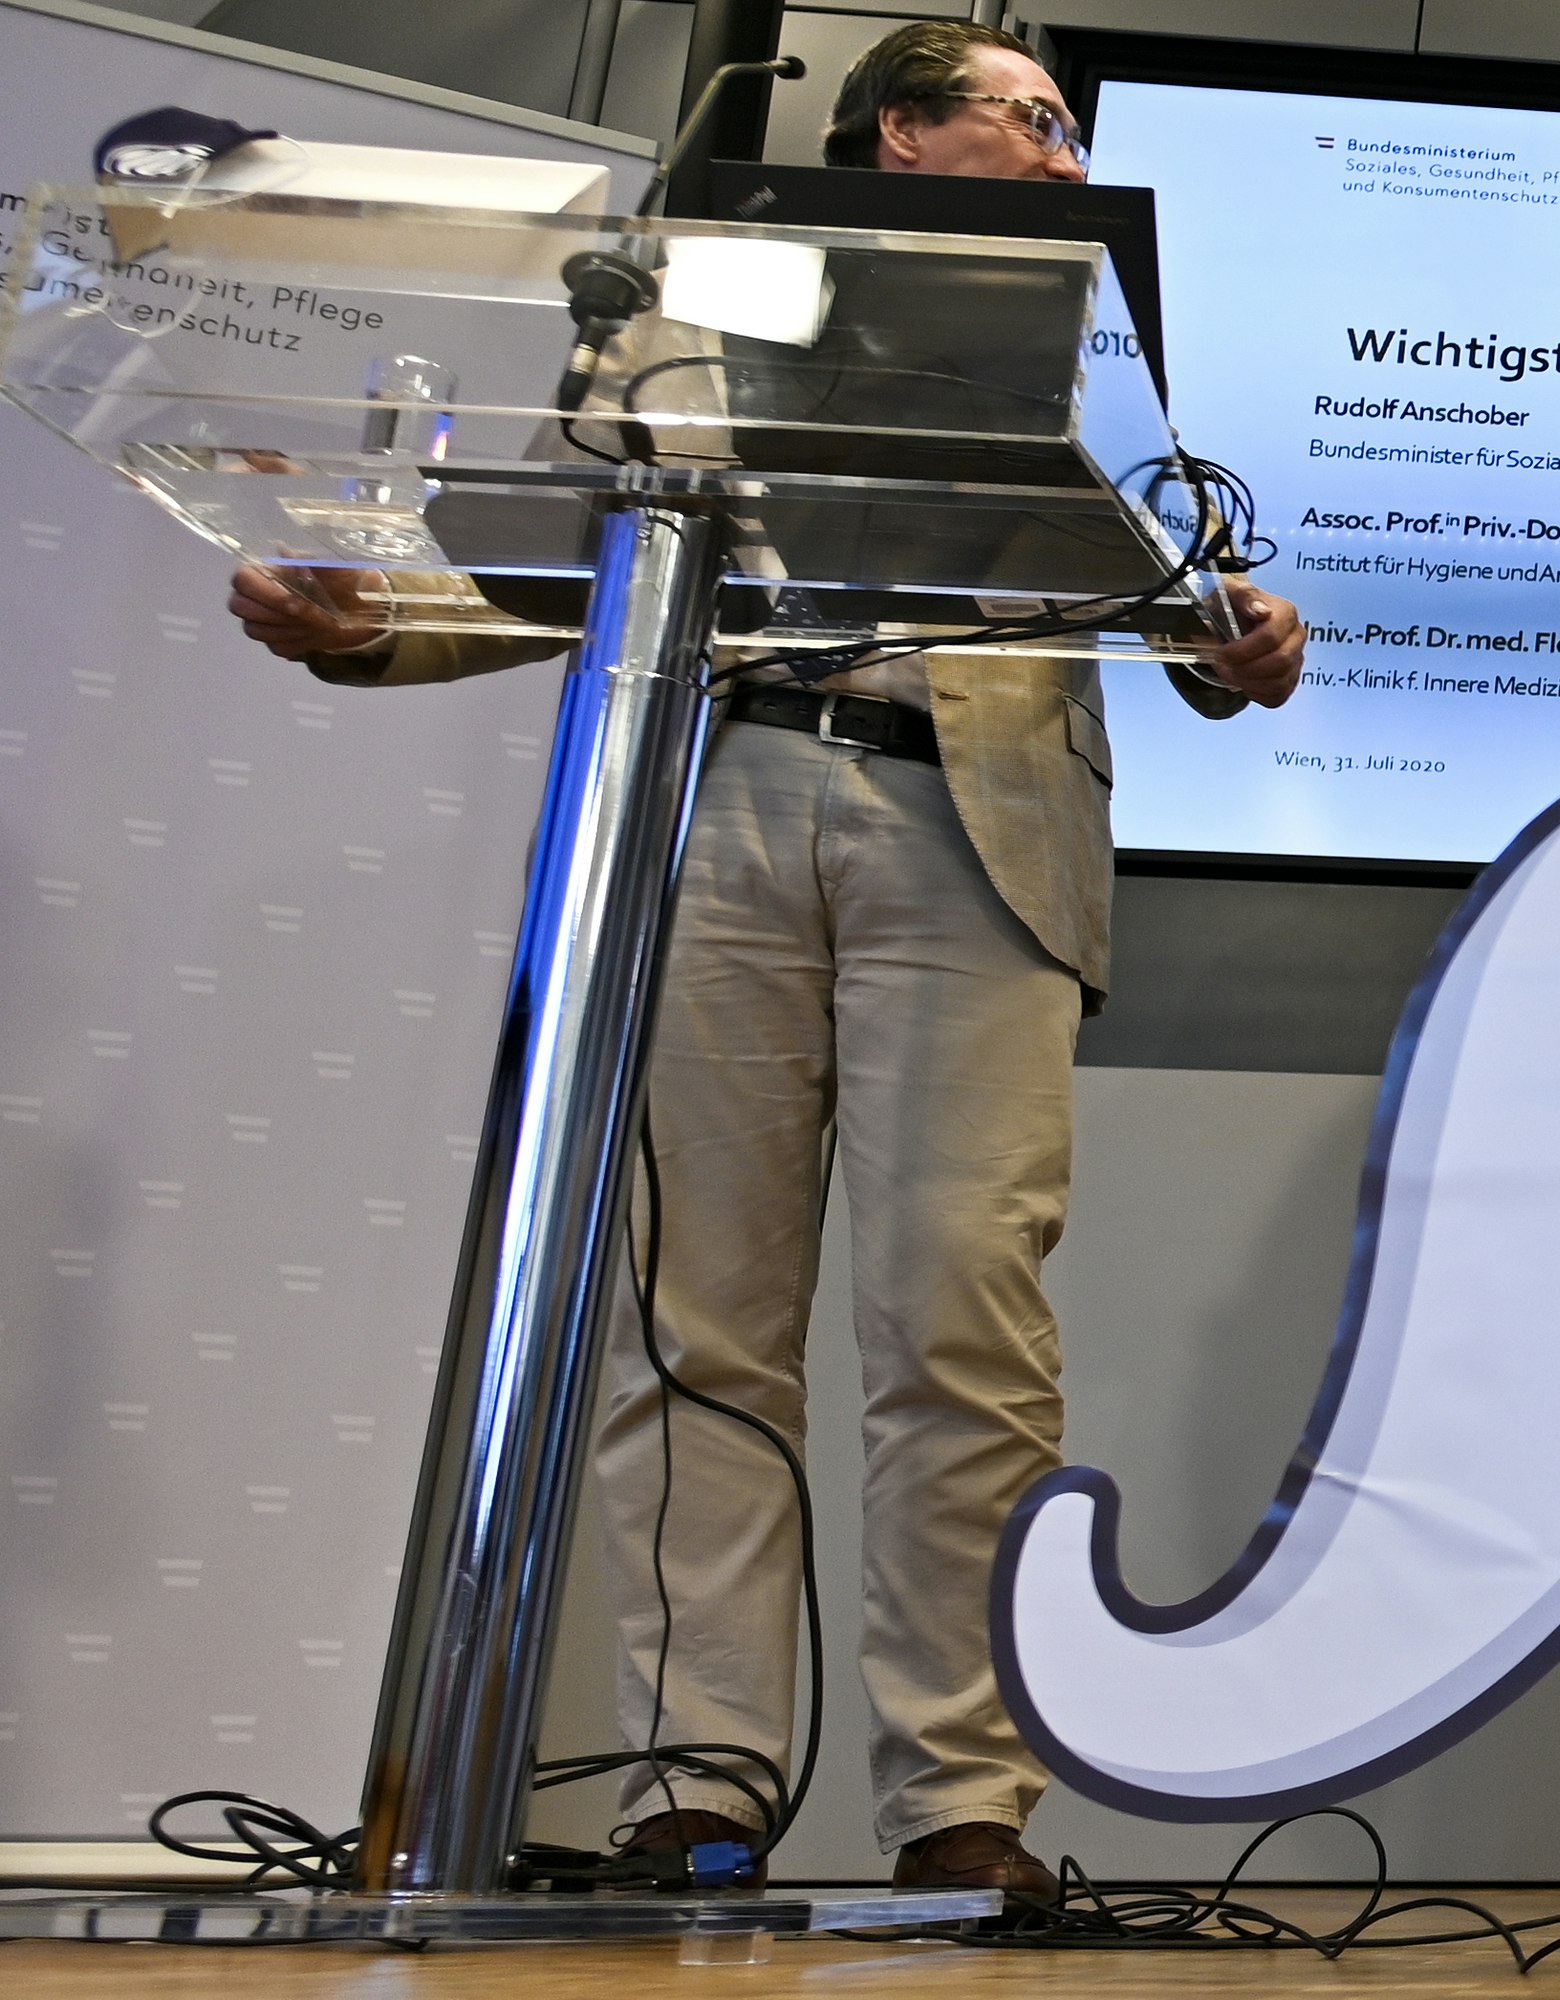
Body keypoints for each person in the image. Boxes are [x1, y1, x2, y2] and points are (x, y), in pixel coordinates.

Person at [221, 20, 1303, 1903]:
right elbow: (551, 572)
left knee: (965, 1324)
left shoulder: (1093, 346)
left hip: (971, 838)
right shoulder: (673, 323)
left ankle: (965, 1806)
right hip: (717, 804)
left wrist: (1236, 639)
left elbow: (1165, 579)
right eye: (1033, 121)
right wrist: (357, 623)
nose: (1066, 159)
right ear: (901, 131)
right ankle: (687, 1791)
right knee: (689, 1324)